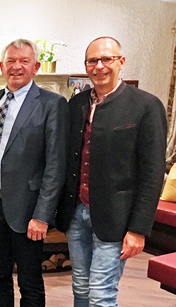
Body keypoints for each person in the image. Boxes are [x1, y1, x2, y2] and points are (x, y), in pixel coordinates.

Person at [56, 37, 166, 307]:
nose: (99, 66)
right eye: (92, 60)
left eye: (107, 59)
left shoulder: (146, 106)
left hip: (116, 218)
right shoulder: (76, 104)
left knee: (102, 294)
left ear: (121, 62)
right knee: (80, 287)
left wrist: (139, 229)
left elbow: (152, 173)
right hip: (76, 213)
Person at [0, 39, 68, 307]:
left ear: (35, 66)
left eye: (24, 61)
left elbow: (55, 164)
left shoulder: (51, 104)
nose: (16, 67)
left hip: (28, 211)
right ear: (2, 66)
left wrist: (42, 215)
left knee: (30, 282)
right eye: (11, 61)